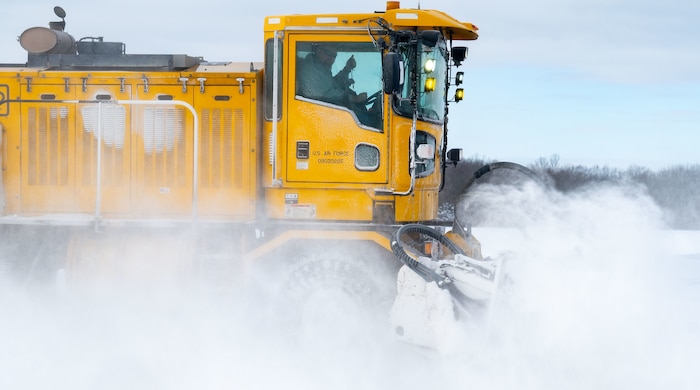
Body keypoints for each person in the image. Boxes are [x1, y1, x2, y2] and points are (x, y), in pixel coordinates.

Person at [296, 44, 368, 109]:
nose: (331, 59)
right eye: (328, 54)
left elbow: (334, 84)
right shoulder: (309, 69)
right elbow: (324, 94)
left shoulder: (321, 69)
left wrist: (346, 69)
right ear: (318, 50)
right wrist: (352, 98)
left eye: (334, 56)